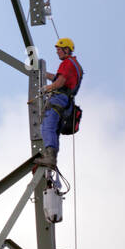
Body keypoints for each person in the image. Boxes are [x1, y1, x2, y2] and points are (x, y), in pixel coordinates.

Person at [32, 37, 83, 166]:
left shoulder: (67, 63)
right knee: (54, 130)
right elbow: (57, 78)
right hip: (67, 104)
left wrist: (46, 88)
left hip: (59, 100)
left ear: (67, 49)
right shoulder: (76, 65)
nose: (57, 52)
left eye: (59, 49)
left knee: (47, 127)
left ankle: (49, 157)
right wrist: (43, 74)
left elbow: (60, 82)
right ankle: (51, 156)